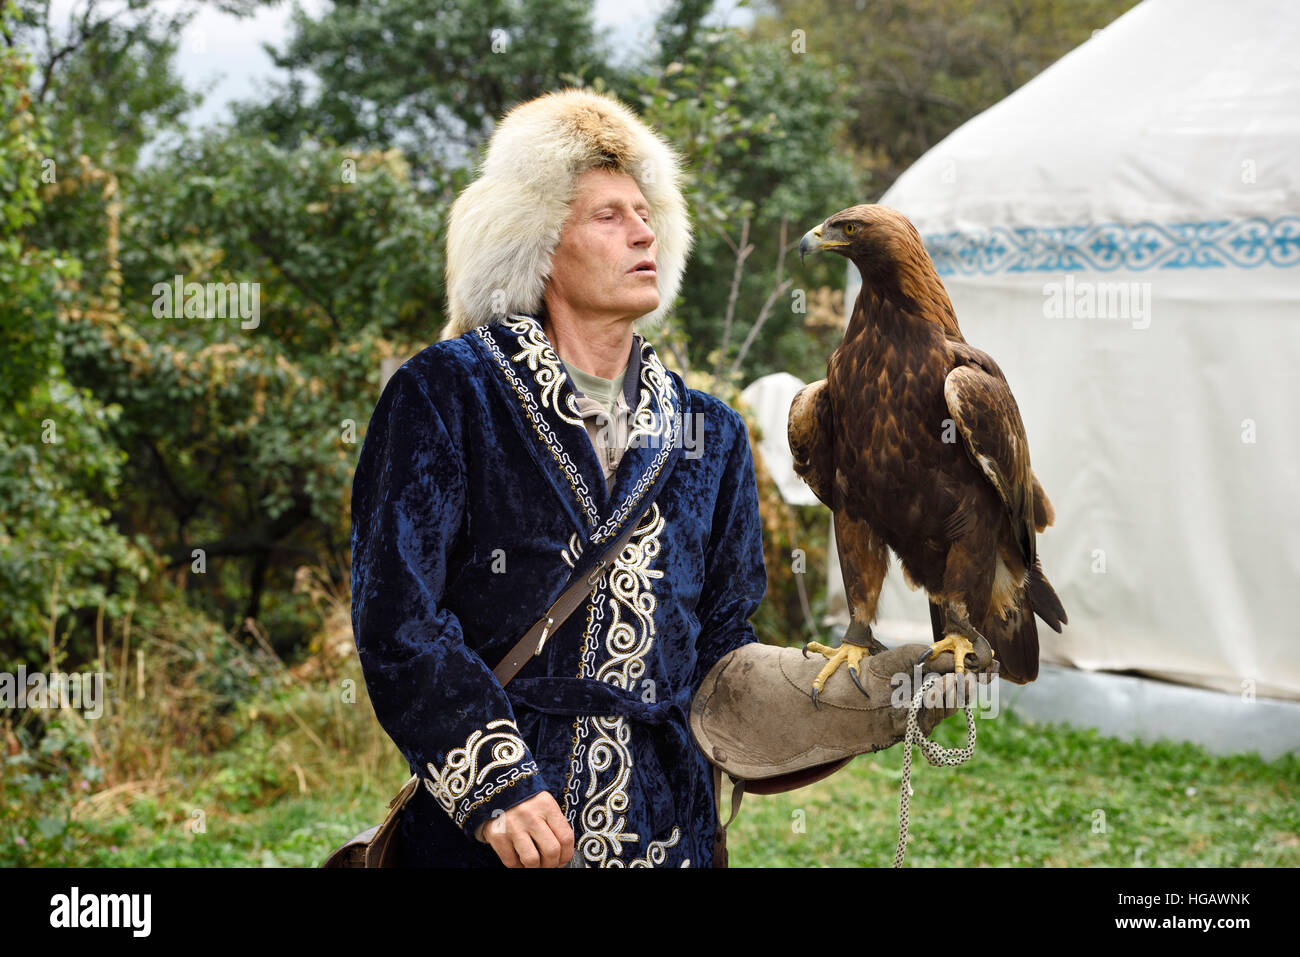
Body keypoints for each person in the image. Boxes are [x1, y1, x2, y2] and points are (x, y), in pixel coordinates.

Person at [349, 88, 767, 867]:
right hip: (500, 837)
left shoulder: (713, 430)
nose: (643, 230)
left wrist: (833, 699)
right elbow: (397, 618)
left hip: (669, 831)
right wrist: (498, 786)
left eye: (646, 213)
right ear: (540, 244)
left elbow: (724, 639)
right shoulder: (446, 394)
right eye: (608, 215)